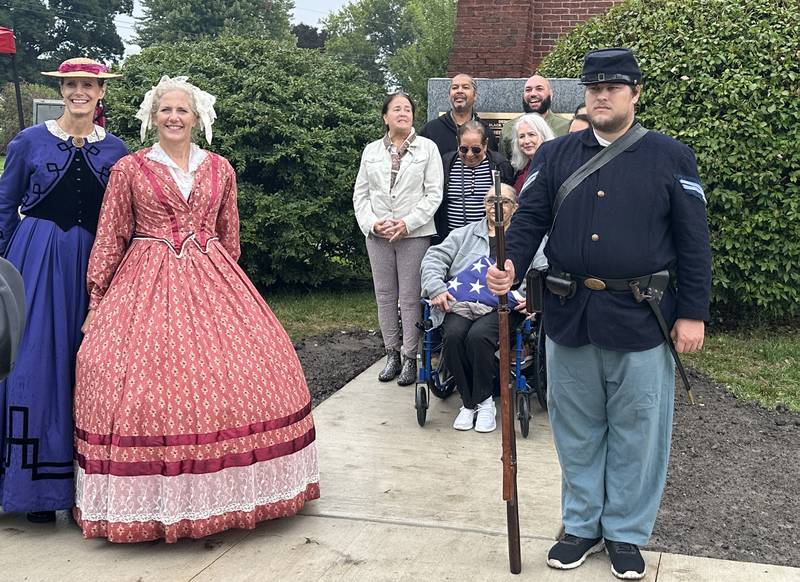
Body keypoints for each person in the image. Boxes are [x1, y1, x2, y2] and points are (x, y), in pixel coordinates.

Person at [487, 48, 711, 580]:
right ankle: (582, 525)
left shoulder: (671, 157)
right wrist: (510, 266)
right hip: (570, 314)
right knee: (577, 429)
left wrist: (694, 313)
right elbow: (530, 219)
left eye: (613, 86)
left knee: (638, 430)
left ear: (635, 93)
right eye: (593, 87)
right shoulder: (556, 154)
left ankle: (627, 534)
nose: (602, 94)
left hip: (642, 317)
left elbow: (693, 242)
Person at [72, 76, 319, 543]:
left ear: (197, 116)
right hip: (144, 279)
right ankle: (152, 503)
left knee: (240, 372)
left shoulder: (220, 168)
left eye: (182, 110)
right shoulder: (130, 169)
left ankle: (227, 495)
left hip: (213, 278)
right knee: (126, 373)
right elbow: (110, 236)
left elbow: (231, 237)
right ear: (152, 116)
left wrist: (221, 284)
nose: (173, 117)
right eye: (165, 109)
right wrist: (98, 299)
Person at [0, 57, 128, 524]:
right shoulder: (28, 142)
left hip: (94, 265)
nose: (80, 92)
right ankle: (32, 489)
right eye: (71, 84)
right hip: (35, 260)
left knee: (90, 366)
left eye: (88, 85)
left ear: (101, 93)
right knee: (34, 364)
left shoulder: (117, 149)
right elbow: (4, 206)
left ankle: (85, 488)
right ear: (62, 89)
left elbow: (126, 217)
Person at [353, 92, 443, 386]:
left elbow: (433, 194)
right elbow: (361, 195)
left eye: (407, 109)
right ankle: (390, 352)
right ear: (385, 116)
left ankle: (410, 356)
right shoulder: (371, 151)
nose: (403, 113)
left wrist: (406, 223)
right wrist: (372, 224)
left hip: (413, 234)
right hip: (378, 235)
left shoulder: (428, 149)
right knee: (385, 295)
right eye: (396, 109)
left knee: (410, 297)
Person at [421, 184, 525, 432]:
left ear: (515, 207)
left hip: (503, 305)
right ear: (484, 204)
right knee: (454, 336)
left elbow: (541, 268)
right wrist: (436, 287)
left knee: (478, 337)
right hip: (463, 302)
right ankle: (469, 404)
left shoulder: (524, 237)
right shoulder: (464, 233)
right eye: (491, 201)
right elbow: (434, 258)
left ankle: (485, 402)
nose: (496, 206)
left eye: (504, 202)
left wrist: (530, 296)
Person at [435, 121, 513, 241]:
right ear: (457, 142)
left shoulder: (500, 165)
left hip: (487, 239)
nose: (470, 155)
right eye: (464, 149)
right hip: (451, 238)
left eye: (476, 150)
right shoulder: (446, 163)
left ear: (485, 144)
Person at [420, 74, 498, 156]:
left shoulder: (486, 131)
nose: (459, 91)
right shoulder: (431, 130)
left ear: (475, 96)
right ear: (449, 96)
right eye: (455, 87)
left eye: (465, 87)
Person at [499, 75, 570, 159]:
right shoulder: (508, 128)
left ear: (551, 94)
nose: (533, 94)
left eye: (539, 89)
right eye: (528, 90)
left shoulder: (567, 128)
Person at [509, 113, 556, 195]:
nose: (526, 141)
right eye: (522, 136)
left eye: (531, 135)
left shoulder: (553, 167)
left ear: (544, 136)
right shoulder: (522, 170)